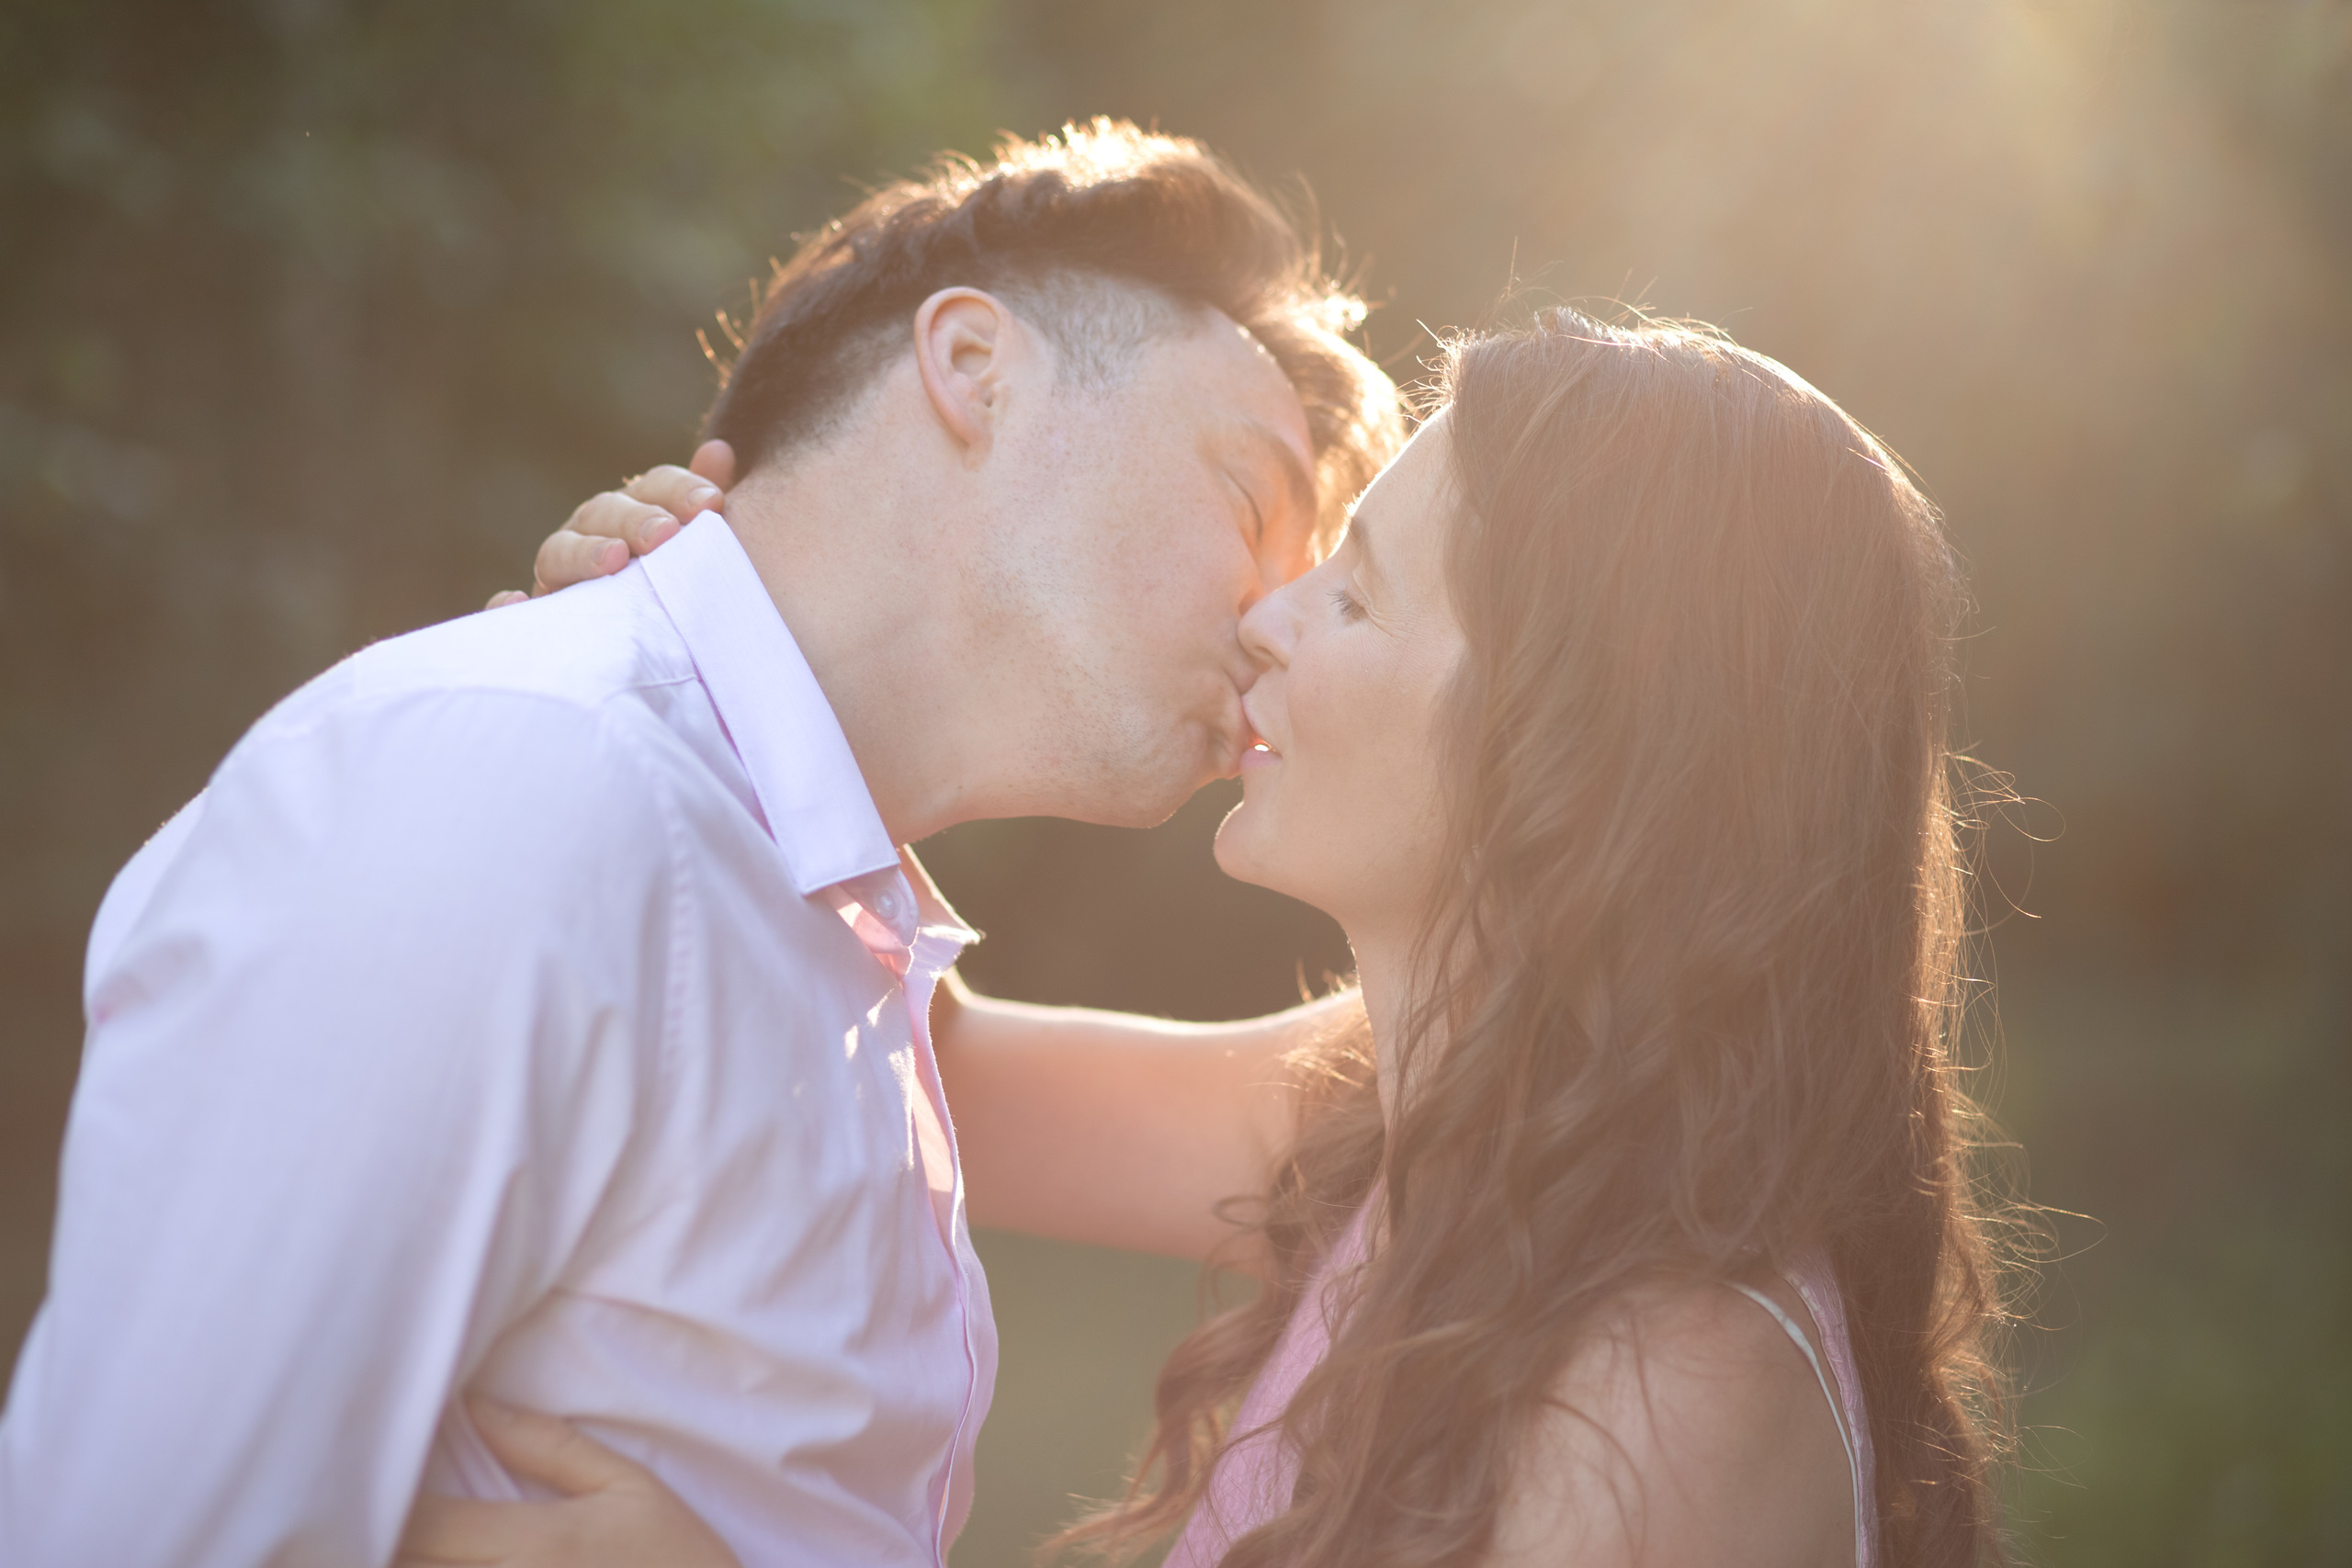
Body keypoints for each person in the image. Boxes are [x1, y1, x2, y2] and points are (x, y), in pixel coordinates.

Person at [0, 120, 1401, 1567]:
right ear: (976, 370)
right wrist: (564, 747)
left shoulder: (840, 965)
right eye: (1251, 502)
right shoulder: (518, 780)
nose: (1270, 625)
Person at [403, 310, 2016, 1566]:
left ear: (1584, 751)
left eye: (1362, 598)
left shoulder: (1675, 1392)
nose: (1270, 615)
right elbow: (891, 1047)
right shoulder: (1398, 1121)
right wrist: (677, 680)